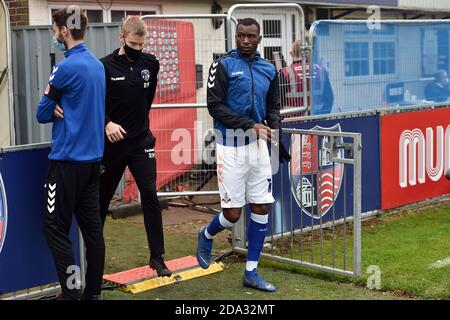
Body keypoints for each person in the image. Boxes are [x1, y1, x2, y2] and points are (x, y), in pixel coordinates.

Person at [196, 18, 284, 292]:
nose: (245, 41)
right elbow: (214, 106)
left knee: (260, 206)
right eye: (241, 36)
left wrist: (277, 135)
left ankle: (251, 272)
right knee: (233, 214)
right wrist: (250, 125)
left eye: (250, 36)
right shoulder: (222, 65)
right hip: (230, 145)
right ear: (235, 36)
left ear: (259, 39)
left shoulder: (269, 68)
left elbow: (273, 108)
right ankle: (207, 234)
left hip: (258, 147)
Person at [36, 6, 105, 300]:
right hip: (92, 163)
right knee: (93, 234)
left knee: (54, 228)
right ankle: (91, 294)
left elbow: (41, 113)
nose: (54, 34)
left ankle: (72, 293)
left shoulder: (65, 68)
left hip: (66, 163)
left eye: (55, 29)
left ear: (64, 31)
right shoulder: (97, 65)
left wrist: (52, 105)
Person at [99, 16, 171, 277]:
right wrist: (107, 123)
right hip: (113, 145)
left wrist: (138, 125)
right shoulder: (103, 67)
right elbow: (95, 105)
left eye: (141, 44)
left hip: (141, 141)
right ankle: (91, 262)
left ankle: (158, 258)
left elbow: (146, 100)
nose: (137, 49)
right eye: (132, 44)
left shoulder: (150, 63)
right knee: (100, 202)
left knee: (150, 195)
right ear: (121, 38)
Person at [279, 39, 334, 115]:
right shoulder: (322, 71)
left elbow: (277, 102)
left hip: (293, 123)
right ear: (308, 53)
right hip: (317, 121)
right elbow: (329, 99)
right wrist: (323, 117)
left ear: (291, 54)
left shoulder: (285, 73)